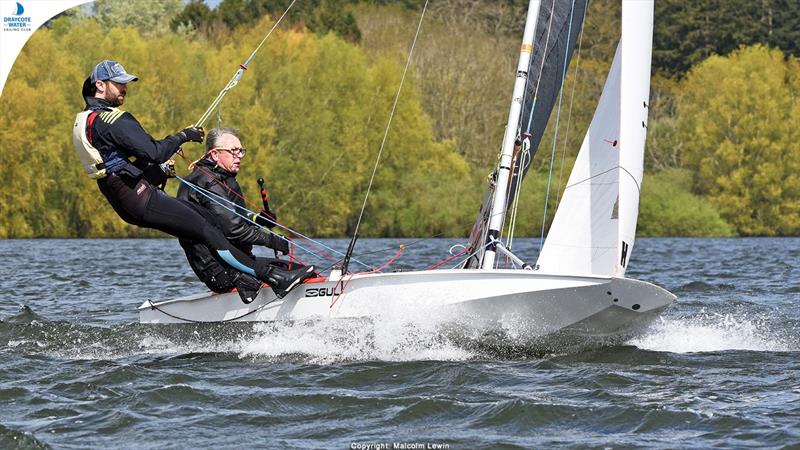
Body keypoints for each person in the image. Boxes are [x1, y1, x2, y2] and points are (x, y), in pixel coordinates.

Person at [72, 59, 314, 302]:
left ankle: (244, 279)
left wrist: (158, 172)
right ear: (100, 86)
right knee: (207, 230)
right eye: (119, 83)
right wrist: (182, 136)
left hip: (128, 198)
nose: (125, 88)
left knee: (207, 220)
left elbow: (119, 166)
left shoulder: (88, 120)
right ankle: (274, 278)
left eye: (125, 83)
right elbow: (155, 152)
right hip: (140, 198)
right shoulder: (112, 120)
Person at [177, 127, 300, 302]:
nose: (240, 156)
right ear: (215, 154)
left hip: (237, 262)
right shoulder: (207, 182)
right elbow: (234, 230)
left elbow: (230, 219)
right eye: (233, 151)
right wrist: (273, 240)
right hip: (221, 271)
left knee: (297, 269)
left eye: (241, 151)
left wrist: (259, 219)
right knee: (296, 273)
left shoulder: (222, 178)